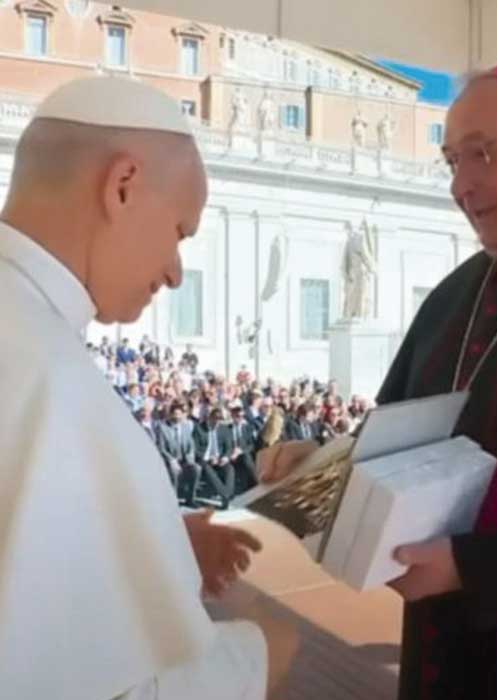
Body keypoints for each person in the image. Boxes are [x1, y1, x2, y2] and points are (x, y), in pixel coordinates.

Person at [258, 62, 497, 699]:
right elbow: (387, 440)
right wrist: (319, 462)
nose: (460, 185)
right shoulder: (452, 295)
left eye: (482, 154)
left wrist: (472, 568)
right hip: (437, 631)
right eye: (452, 161)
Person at [0, 76, 273, 699]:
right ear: (122, 185)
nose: (176, 273)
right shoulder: (50, 377)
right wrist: (262, 654)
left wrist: (155, 543)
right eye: (179, 231)